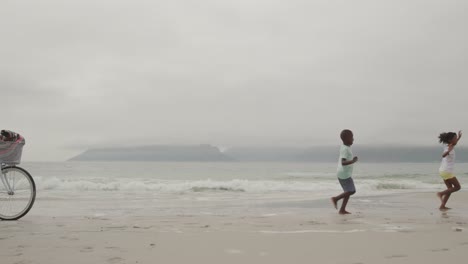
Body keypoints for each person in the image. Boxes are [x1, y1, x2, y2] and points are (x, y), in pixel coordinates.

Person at [331, 129, 358, 214]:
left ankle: (342, 210)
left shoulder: (345, 147)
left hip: (343, 173)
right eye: (351, 137)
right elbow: (343, 162)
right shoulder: (345, 149)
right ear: (346, 139)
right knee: (352, 191)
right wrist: (353, 161)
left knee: (347, 192)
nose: (353, 139)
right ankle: (335, 198)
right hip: (344, 174)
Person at [437, 130, 462, 211]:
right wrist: (448, 151)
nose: (456, 140)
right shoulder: (448, 148)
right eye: (454, 138)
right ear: (449, 140)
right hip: (446, 171)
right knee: (458, 187)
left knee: (450, 189)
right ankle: (440, 193)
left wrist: (459, 137)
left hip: (443, 170)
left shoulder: (451, 145)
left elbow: (454, 143)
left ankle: (442, 206)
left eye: (455, 138)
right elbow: (443, 155)